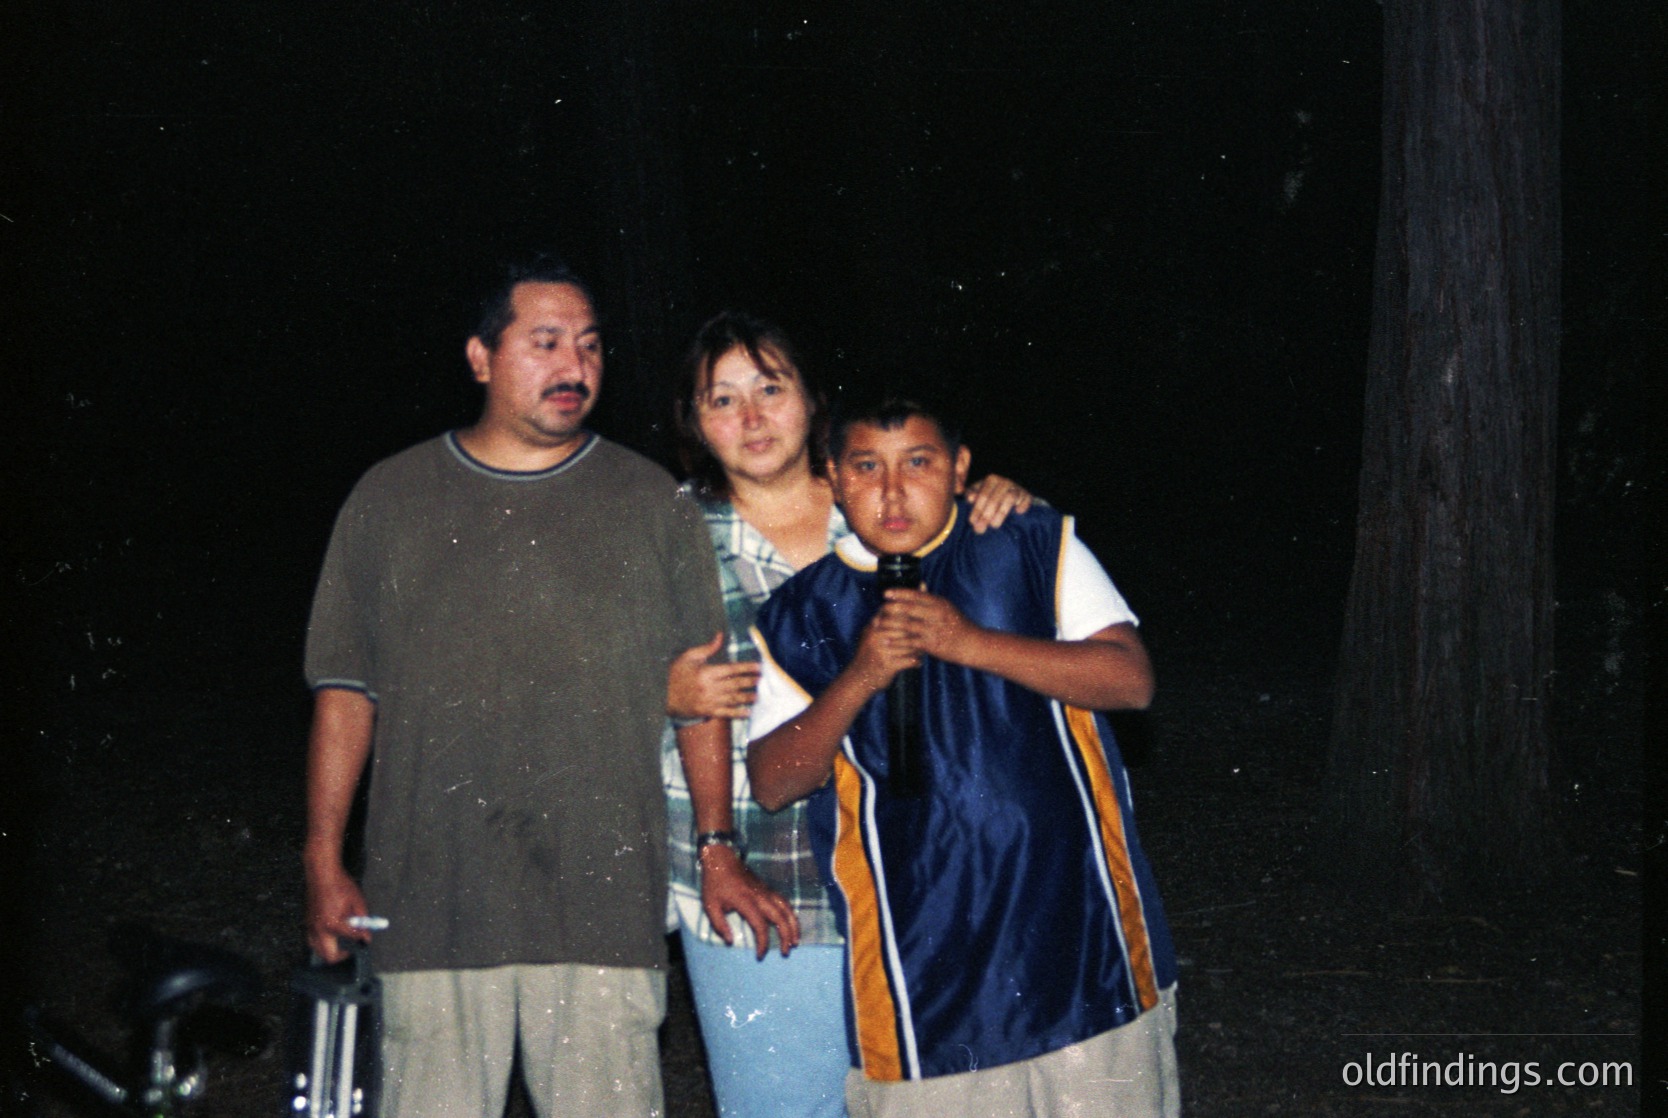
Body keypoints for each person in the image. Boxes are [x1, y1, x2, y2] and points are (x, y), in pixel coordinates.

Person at [301, 258, 734, 1118]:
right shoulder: (390, 497)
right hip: (432, 906)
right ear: (480, 357)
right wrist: (321, 859)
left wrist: (717, 848)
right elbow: (346, 693)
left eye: (590, 345)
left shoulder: (651, 502)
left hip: (601, 910)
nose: (575, 366)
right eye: (546, 343)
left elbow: (704, 697)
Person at [746, 398, 1180, 1118]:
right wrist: (859, 677)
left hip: (1085, 953)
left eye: (917, 463)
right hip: (921, 986)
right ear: (834, 478)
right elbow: (771, 782)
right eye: (866, 467)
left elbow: (1130, 680)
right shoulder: (800, 613)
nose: (892, 492)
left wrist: (967, 642)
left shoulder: (1030, 543)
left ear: (959, 468)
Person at [661, 313, 1032, 1117]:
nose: (751, 417)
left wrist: (998, 499)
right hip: (760, 870)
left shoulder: (883, 499)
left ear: (811, 399)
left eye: (770, 388)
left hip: (916, 869)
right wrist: (718, 853)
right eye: (722, 399)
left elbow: (1001, 578)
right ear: (695, 422)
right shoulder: (666, 532)